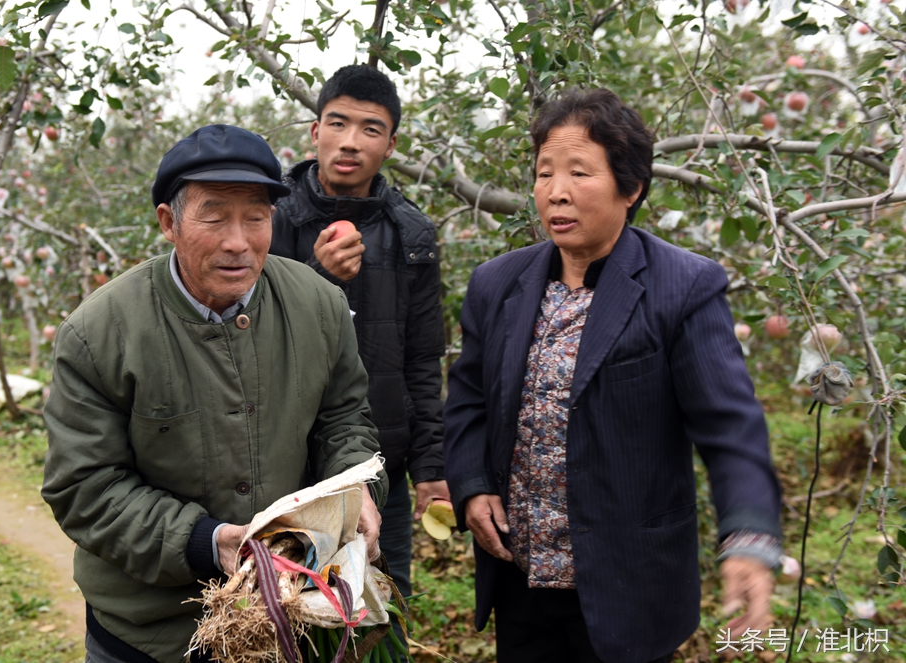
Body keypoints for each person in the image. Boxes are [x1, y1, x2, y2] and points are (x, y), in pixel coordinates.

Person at [442, 88, 782, 663]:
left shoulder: (682, 287)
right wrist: (473, 486)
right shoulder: (497, 284)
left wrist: (747, 537)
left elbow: (730, 429)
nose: (557, 191)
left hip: (629, 582)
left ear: (631, 188)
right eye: (545, 172)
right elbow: (469, 399)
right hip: (522, 575)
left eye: (580, 171)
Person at [42, 124, 388, 663]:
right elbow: (85, 487)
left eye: (255, 216)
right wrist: (207, 541)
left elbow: (344, 420)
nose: (238, 240)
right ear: (169, 223)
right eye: (214, 216)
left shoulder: (318, 306)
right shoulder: (100, 332)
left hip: (291, 615)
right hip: (151, 632)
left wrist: (357, 489)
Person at [269, 64, 448, 606]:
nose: (350, 142)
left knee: (379, 611)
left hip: (379, 470)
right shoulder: (268, 218)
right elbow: (244, 340)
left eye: (370, 129)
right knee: (285, 614)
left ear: (391, 144)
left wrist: (432, 469)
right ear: (314, 131)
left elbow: (422, 358)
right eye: (337, 123)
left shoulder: (411, 235)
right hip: (282, 466)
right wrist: (318, 280)